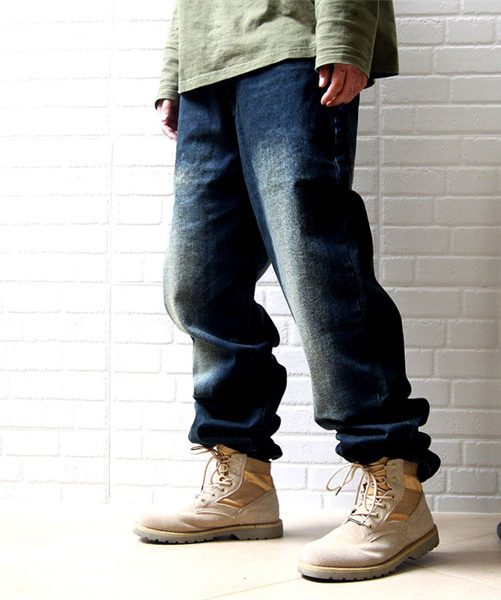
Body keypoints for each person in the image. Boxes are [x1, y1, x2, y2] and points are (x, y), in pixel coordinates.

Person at [133, 0, 441, 581]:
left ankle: (393, 481)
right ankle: (241, 479)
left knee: (317, 268)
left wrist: (345, 36)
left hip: (293, 50)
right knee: (199, 286)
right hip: (206, 69)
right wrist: (174, 70)